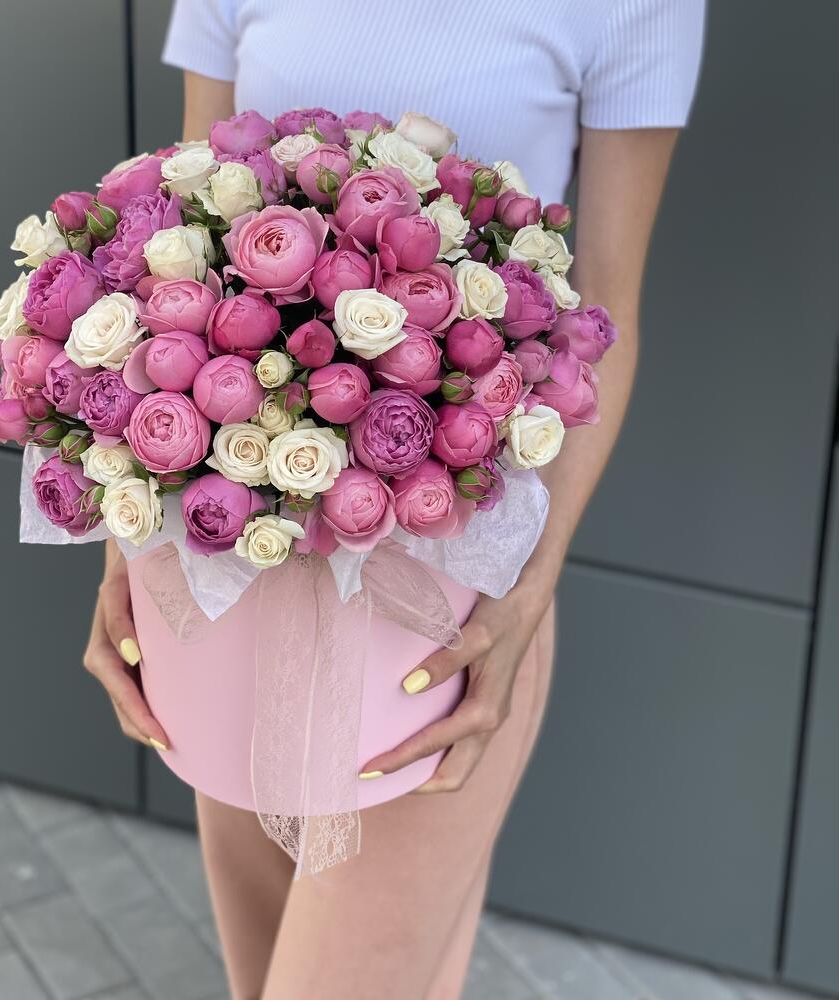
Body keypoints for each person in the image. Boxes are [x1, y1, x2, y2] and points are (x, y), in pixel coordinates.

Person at [82, 2, 705, 996]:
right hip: (232, 582)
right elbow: (175, 236)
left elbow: (607, 312)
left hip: (446, 604)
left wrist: (524, 594)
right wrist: (129, 543)